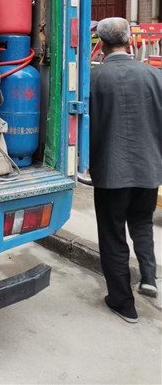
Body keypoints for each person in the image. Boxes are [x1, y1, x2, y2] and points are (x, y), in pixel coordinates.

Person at [89, 17, 162, 323]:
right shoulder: (155, 76)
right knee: (142, 223)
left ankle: (123, 303)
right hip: (149, 169)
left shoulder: (93, 79)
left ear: (101, 45)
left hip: (110, 172)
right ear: (130, 41)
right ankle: (149, 277)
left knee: (113, 235)